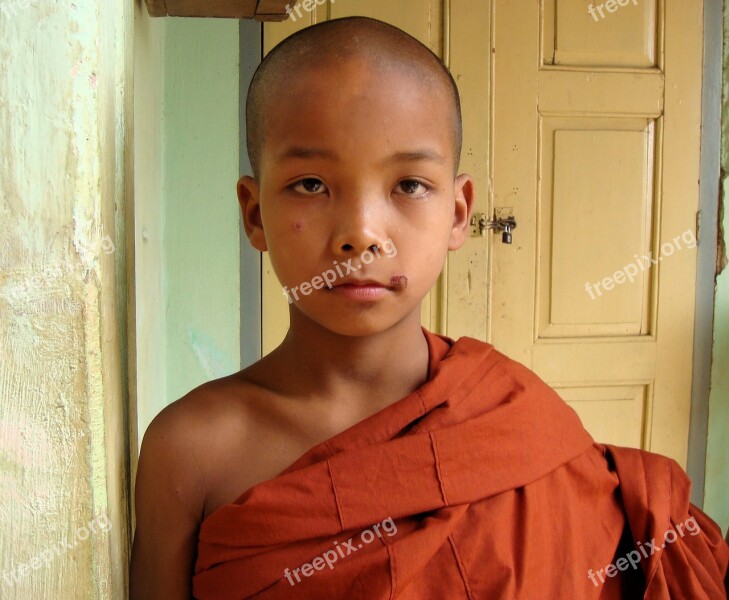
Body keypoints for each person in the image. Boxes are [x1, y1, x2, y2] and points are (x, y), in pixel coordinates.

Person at [129, 16, 729, 599]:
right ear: (254, 213)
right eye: (311, 183)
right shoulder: (191, 450)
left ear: (458, 212)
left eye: (409, 185)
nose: (362, 233)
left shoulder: (508, 422)